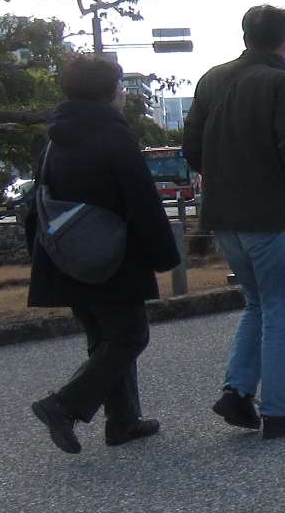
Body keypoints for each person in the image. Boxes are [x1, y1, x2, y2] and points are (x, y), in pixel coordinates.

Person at [182, 5, 285, 439]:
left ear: (245, 35)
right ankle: (280, 408)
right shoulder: (282, 84)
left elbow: (192, 146)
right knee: (282, 310)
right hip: (269, 213)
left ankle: (238, 389)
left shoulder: (212, 79)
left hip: (223, 212)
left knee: (257, 303)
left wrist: (221, 172)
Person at [26, 53, 182, 454]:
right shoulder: (113, 136)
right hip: (113, 256)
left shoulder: (54, 141)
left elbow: (37, 203)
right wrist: (164, 255)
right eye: (120, 88)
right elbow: (141, 201)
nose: (123, 97)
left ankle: (123, 421)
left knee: (103, 338)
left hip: (66, 256)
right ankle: (64, 405)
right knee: (130, 334)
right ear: (108, 92)